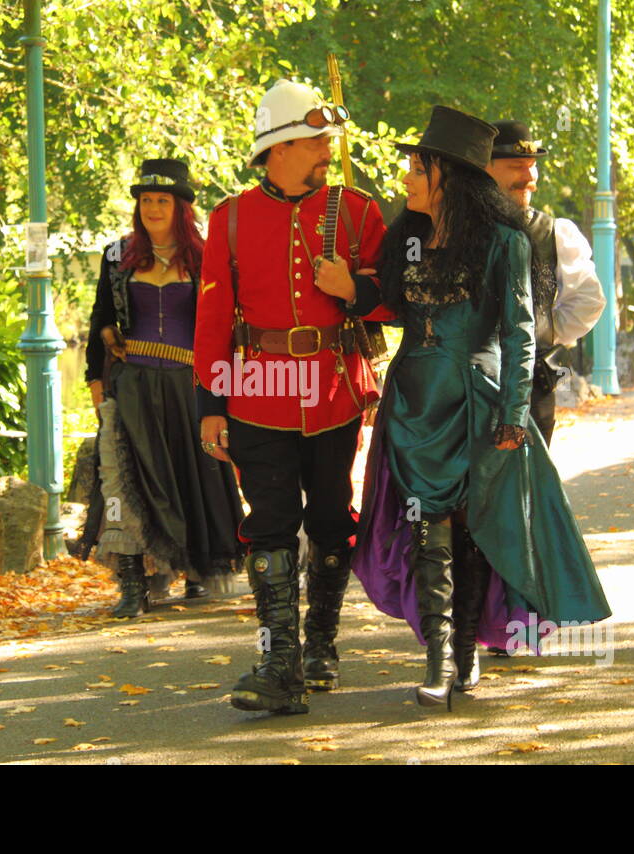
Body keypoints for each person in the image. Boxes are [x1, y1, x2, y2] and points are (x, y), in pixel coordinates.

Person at [336, 106, 610, 709]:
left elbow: (519, 332)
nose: (406, 177)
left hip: (479, 403)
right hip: (412, 403)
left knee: (475, 531)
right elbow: (386, 306)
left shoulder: (505, 242)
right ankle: (436, 660)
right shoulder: (403, 237)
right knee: (425, 531)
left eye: (417, 166)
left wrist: (515, 413)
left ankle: (463, 651)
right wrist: (348, 291)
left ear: (448, 175)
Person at [194, 79, 389, 715]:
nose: (325, 150)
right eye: (313, 141)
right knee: (270, 524)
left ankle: (321, 647)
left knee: (332, 520)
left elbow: (393, 298)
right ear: (278, 149)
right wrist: (210, 403)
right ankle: (279, 661)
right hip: (257, 393)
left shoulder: (357, 211)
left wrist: (352, 290)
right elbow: (213, 319)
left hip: (333, 387)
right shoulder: (229, 220)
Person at [82, 158, 245, 617]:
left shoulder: (207, 257)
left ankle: (195, 571)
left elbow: (227, 326)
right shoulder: (117, 257)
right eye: (146, 200)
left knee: (191, 481)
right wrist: (96, 379)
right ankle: (133, 584)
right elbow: (101, 321)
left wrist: (228, 387)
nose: (153, 208)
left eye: (162, 200)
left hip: (189, 387)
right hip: (131, 387)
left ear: (180, 208)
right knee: (124, 481)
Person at [484, 120, 605, 445]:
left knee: (527, 488)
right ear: (486, 168)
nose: (528, 178)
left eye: (531, 167)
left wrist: (543, 334)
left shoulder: (553, 232)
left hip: (531, 389)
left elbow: (587, 302)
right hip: (468, 386)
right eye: (516, 167)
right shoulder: (458, 228)